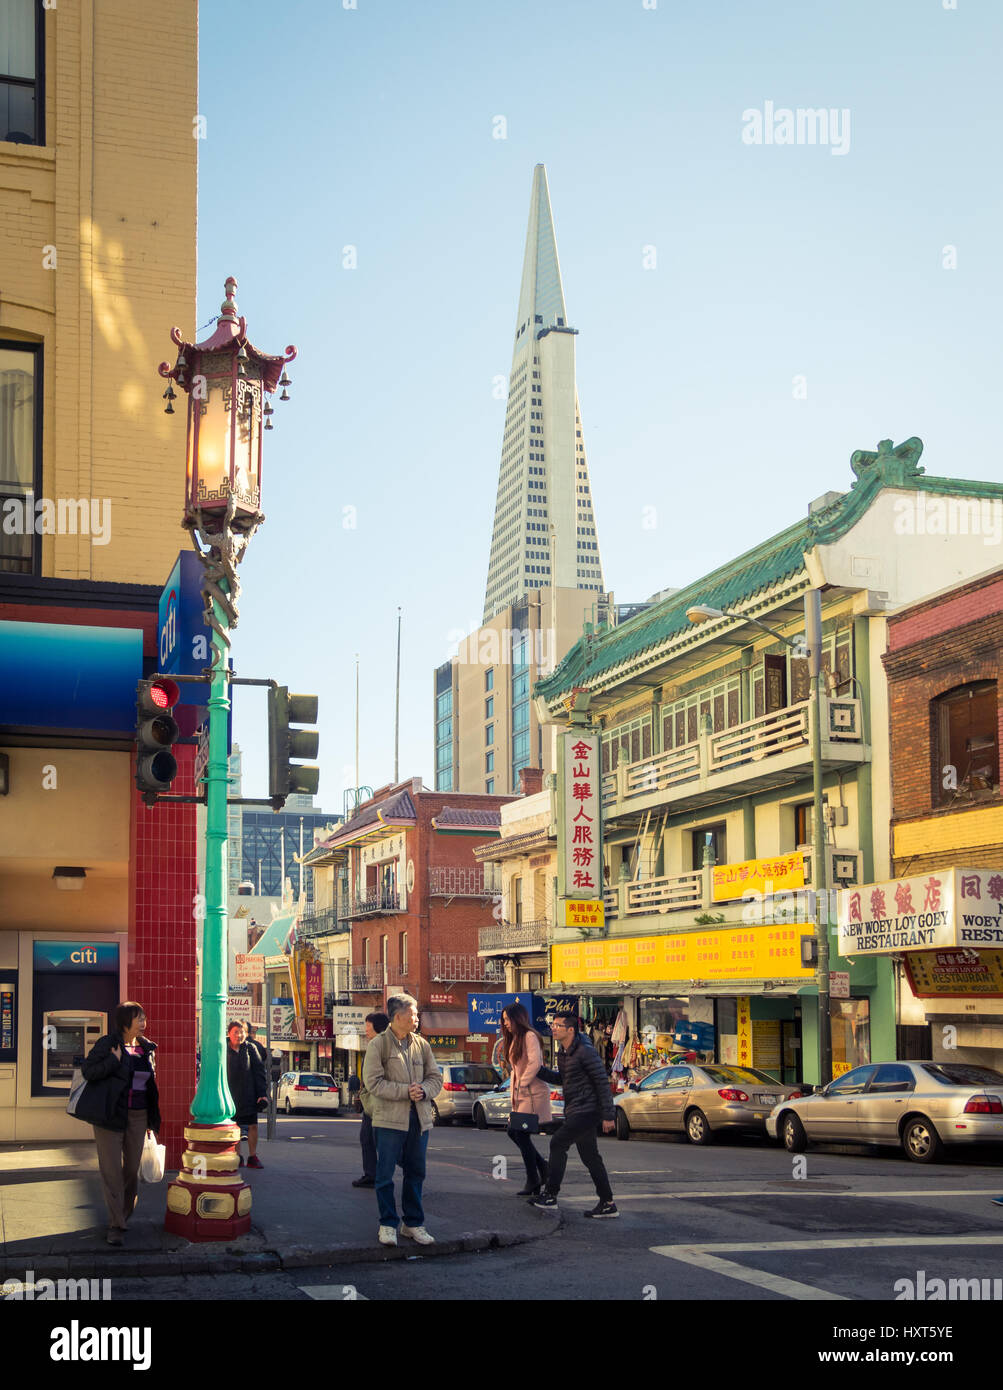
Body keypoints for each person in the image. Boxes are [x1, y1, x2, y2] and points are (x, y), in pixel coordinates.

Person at [362, 994, 442, 1247]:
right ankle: (387, 1223)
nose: (417, 1018)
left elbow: (435, 1078)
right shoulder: (379, 1045)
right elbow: (372, 1082)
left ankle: (413, 1223)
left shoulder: (421, 1044)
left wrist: (424, 1090)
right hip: (388, 1120)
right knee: (385, 1174)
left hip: (419, 1118)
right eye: (413, 1014)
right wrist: (405, 1091)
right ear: (398, 1016)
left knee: (416, 1172)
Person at [81, 1001, 161, 1247]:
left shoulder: (147, 1049)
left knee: (131, 1171)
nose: (143, 1023)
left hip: (138, 1116)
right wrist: (113, 1061)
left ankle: (123, 1214)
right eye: (138, 1018)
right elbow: (88, 1071)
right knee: (112, 1171)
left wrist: (151, 1120)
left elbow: (149, 1085)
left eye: (144, 1018)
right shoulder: (108, 1044)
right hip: (110, 1116)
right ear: (125, 1021)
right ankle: (116, 1225)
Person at [529, 1011, 618, 1219]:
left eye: (558, 1025)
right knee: (590, 1158)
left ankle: (550, 1196)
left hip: (587, 1110)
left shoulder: (585, 1051)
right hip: (576, 1109)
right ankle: (608, 1203)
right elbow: (564, 1079)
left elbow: (602, 1082)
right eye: (553, 1025)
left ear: (570, 1029)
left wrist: (608, 1115)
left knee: (558, 1143)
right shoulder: (564, 1051)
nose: (553, 1028)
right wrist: (538, 1071)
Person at [501, 1002, 550, 1196]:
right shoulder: (515, 1038)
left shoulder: (529, 1036)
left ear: (517, 1018)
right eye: (503, 1019)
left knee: (518, 1133)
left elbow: (535, 1062)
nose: (505, 1023)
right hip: (521, 1094)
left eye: (507, 1019)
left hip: (533, 1094)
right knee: (515, 1132)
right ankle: (541, 1169)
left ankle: (534, 1179)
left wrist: (522, 1083)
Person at [352, 1011, 388, 1188]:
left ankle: (375, 1175)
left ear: (377, 1027)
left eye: (367, 1026)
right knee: (369, 1138)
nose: (365, 1030)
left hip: (376, 1101)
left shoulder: (379, 1045)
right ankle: (373, 1174)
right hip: (372, 1102)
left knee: (374, 1139)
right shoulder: (379, 1043)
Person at [226, 1021, 267, 1169]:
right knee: (234, 1126)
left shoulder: (251, 1048)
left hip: (249, 1094)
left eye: (242, 1032)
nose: (239, 1035)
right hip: (230, 1095)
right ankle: (237, 1155)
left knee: (252, 1125)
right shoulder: (224, 1049)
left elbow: (259, 1072)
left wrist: (262, 1094)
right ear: (229, 1033)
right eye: (236, 1032)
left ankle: (252, 1155)